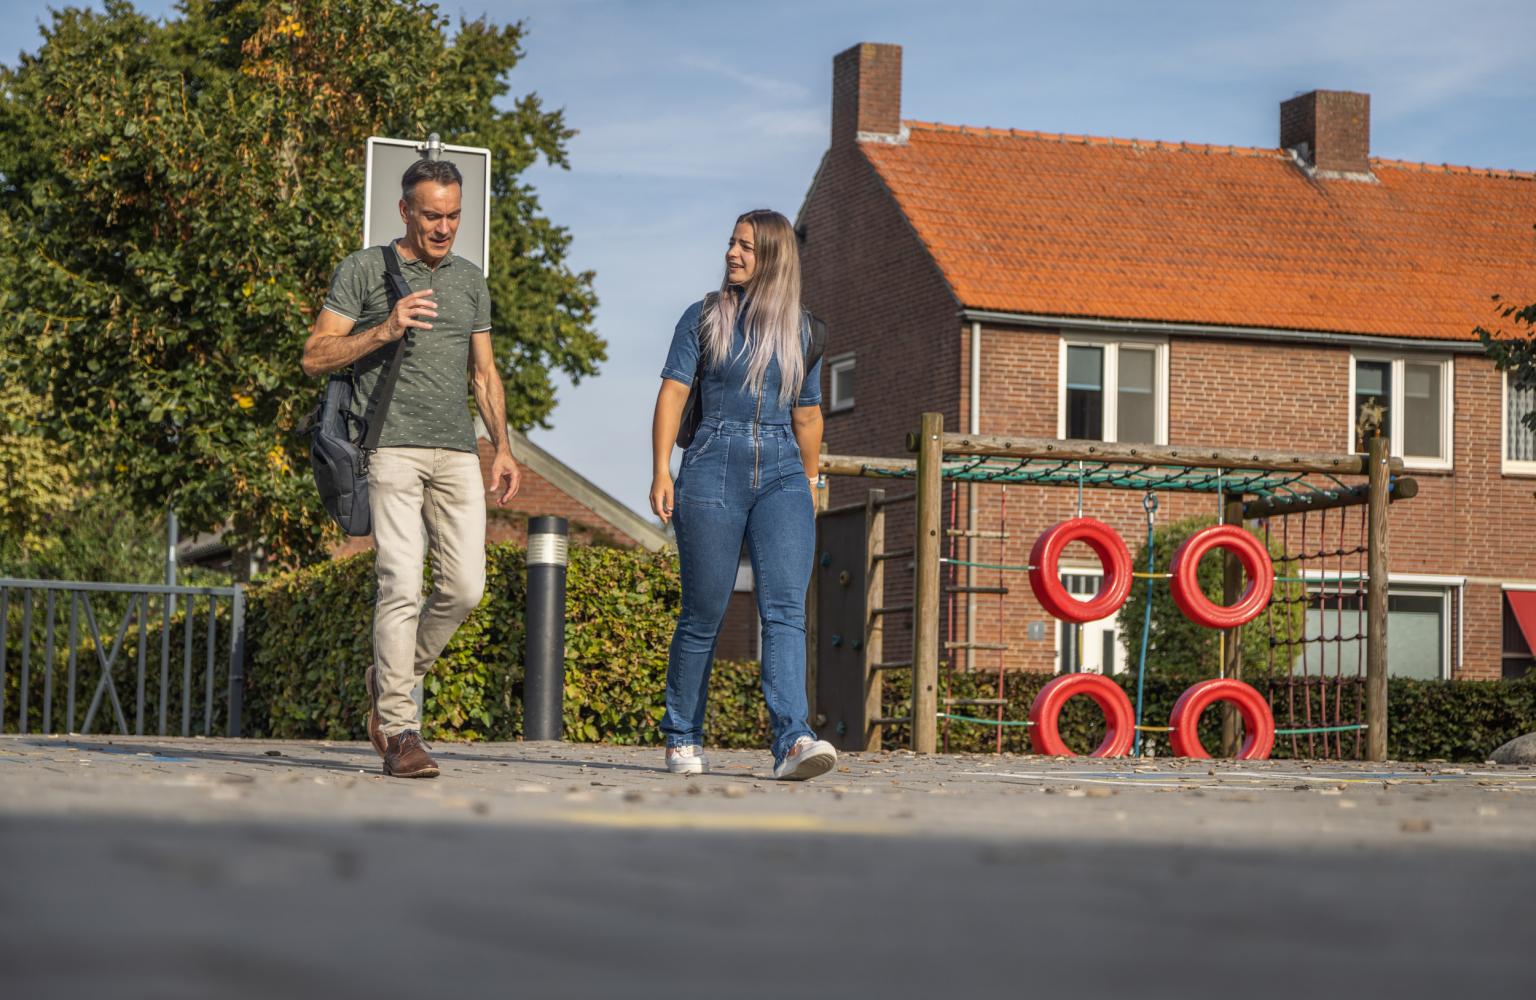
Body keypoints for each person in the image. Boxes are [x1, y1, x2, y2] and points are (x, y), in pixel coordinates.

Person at [302, 158, 521, 779]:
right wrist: (384, 329)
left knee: (465, 588)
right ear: (405, 211)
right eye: (432, 215)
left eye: (453, 215)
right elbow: (315, 356)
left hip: (456, 450)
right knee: (401, 582)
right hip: (389, 448)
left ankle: (388, 677)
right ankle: (399, 728)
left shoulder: (470, 279)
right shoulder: (365, 270)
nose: (444, 227)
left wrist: (501, 447)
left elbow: (483, 372)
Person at [649, 209, 838, 781]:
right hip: (711, 464)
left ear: (774, 258)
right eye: (732, 243)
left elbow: (807, 415)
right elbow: (673, 394)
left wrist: (810, 484)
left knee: (784, 611)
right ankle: (682, 734)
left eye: (747, 247)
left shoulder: (804, 330)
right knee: (704, 610)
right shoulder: (704, 317)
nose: (733, 253)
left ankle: (792, 740)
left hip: (784, 471)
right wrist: (662, 469)